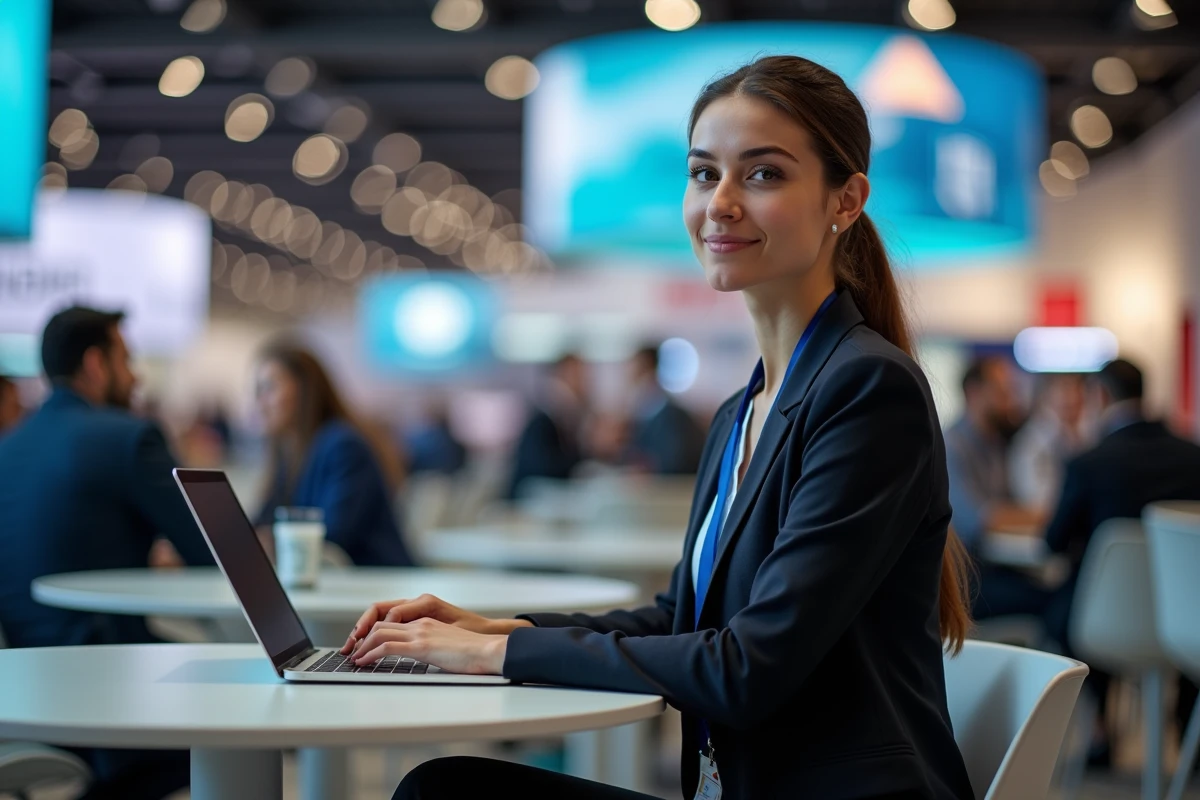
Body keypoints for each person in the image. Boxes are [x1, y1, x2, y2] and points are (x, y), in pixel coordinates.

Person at [343, 55, 975, 800]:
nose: (722, 203)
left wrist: (494, 655)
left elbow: (745, 669)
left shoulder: (868, 389)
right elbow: (680, 618)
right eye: (705, 173)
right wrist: (489, 627)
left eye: (764, 175)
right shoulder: (744, 412)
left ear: (846, 200)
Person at [0, 306, 214, 800]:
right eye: (127, 359)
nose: (136, 375)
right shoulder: (128, 437)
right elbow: (211, 552)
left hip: (23, 684)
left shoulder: (9, 448)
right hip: (105, 687)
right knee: (249, 699)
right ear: (96, 365)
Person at [253, 342, 414, 567]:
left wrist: (270, 540)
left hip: (377, 583)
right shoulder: (291, 455)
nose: (260, 402)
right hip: (334, 584)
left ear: (304, 388)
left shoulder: (343, 445)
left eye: (269, 388)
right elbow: (260, 525)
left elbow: (331, 538)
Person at [944, 356, 1048, 620]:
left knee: (1059, 589)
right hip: (965, 579)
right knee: (1052, 599)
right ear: (974, 393)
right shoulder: (952, 446)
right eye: (1003, 392)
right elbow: (981, 519)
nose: (1011, 401)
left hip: (999, 565)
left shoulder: (998, 444)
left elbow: (1010, 509)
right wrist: (1044, 515)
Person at [504, 353, 590, 500]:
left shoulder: (569, 420)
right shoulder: (541, 421)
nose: (582, 383)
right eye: (576, 375)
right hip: (524, 506)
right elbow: (540, 470)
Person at [1008, 373, 1089, 516]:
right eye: (1064, 391)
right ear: (1046, 399)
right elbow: (1035, 497)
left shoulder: (1086, 436)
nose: (1072, 397)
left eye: (1077, 391)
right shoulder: (1032, 443)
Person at [621, 344, 705, 474]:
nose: (630, 372)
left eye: (636, 366)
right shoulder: (644, 407)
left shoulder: (668, 414)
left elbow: (673, 459)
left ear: (646, 365)